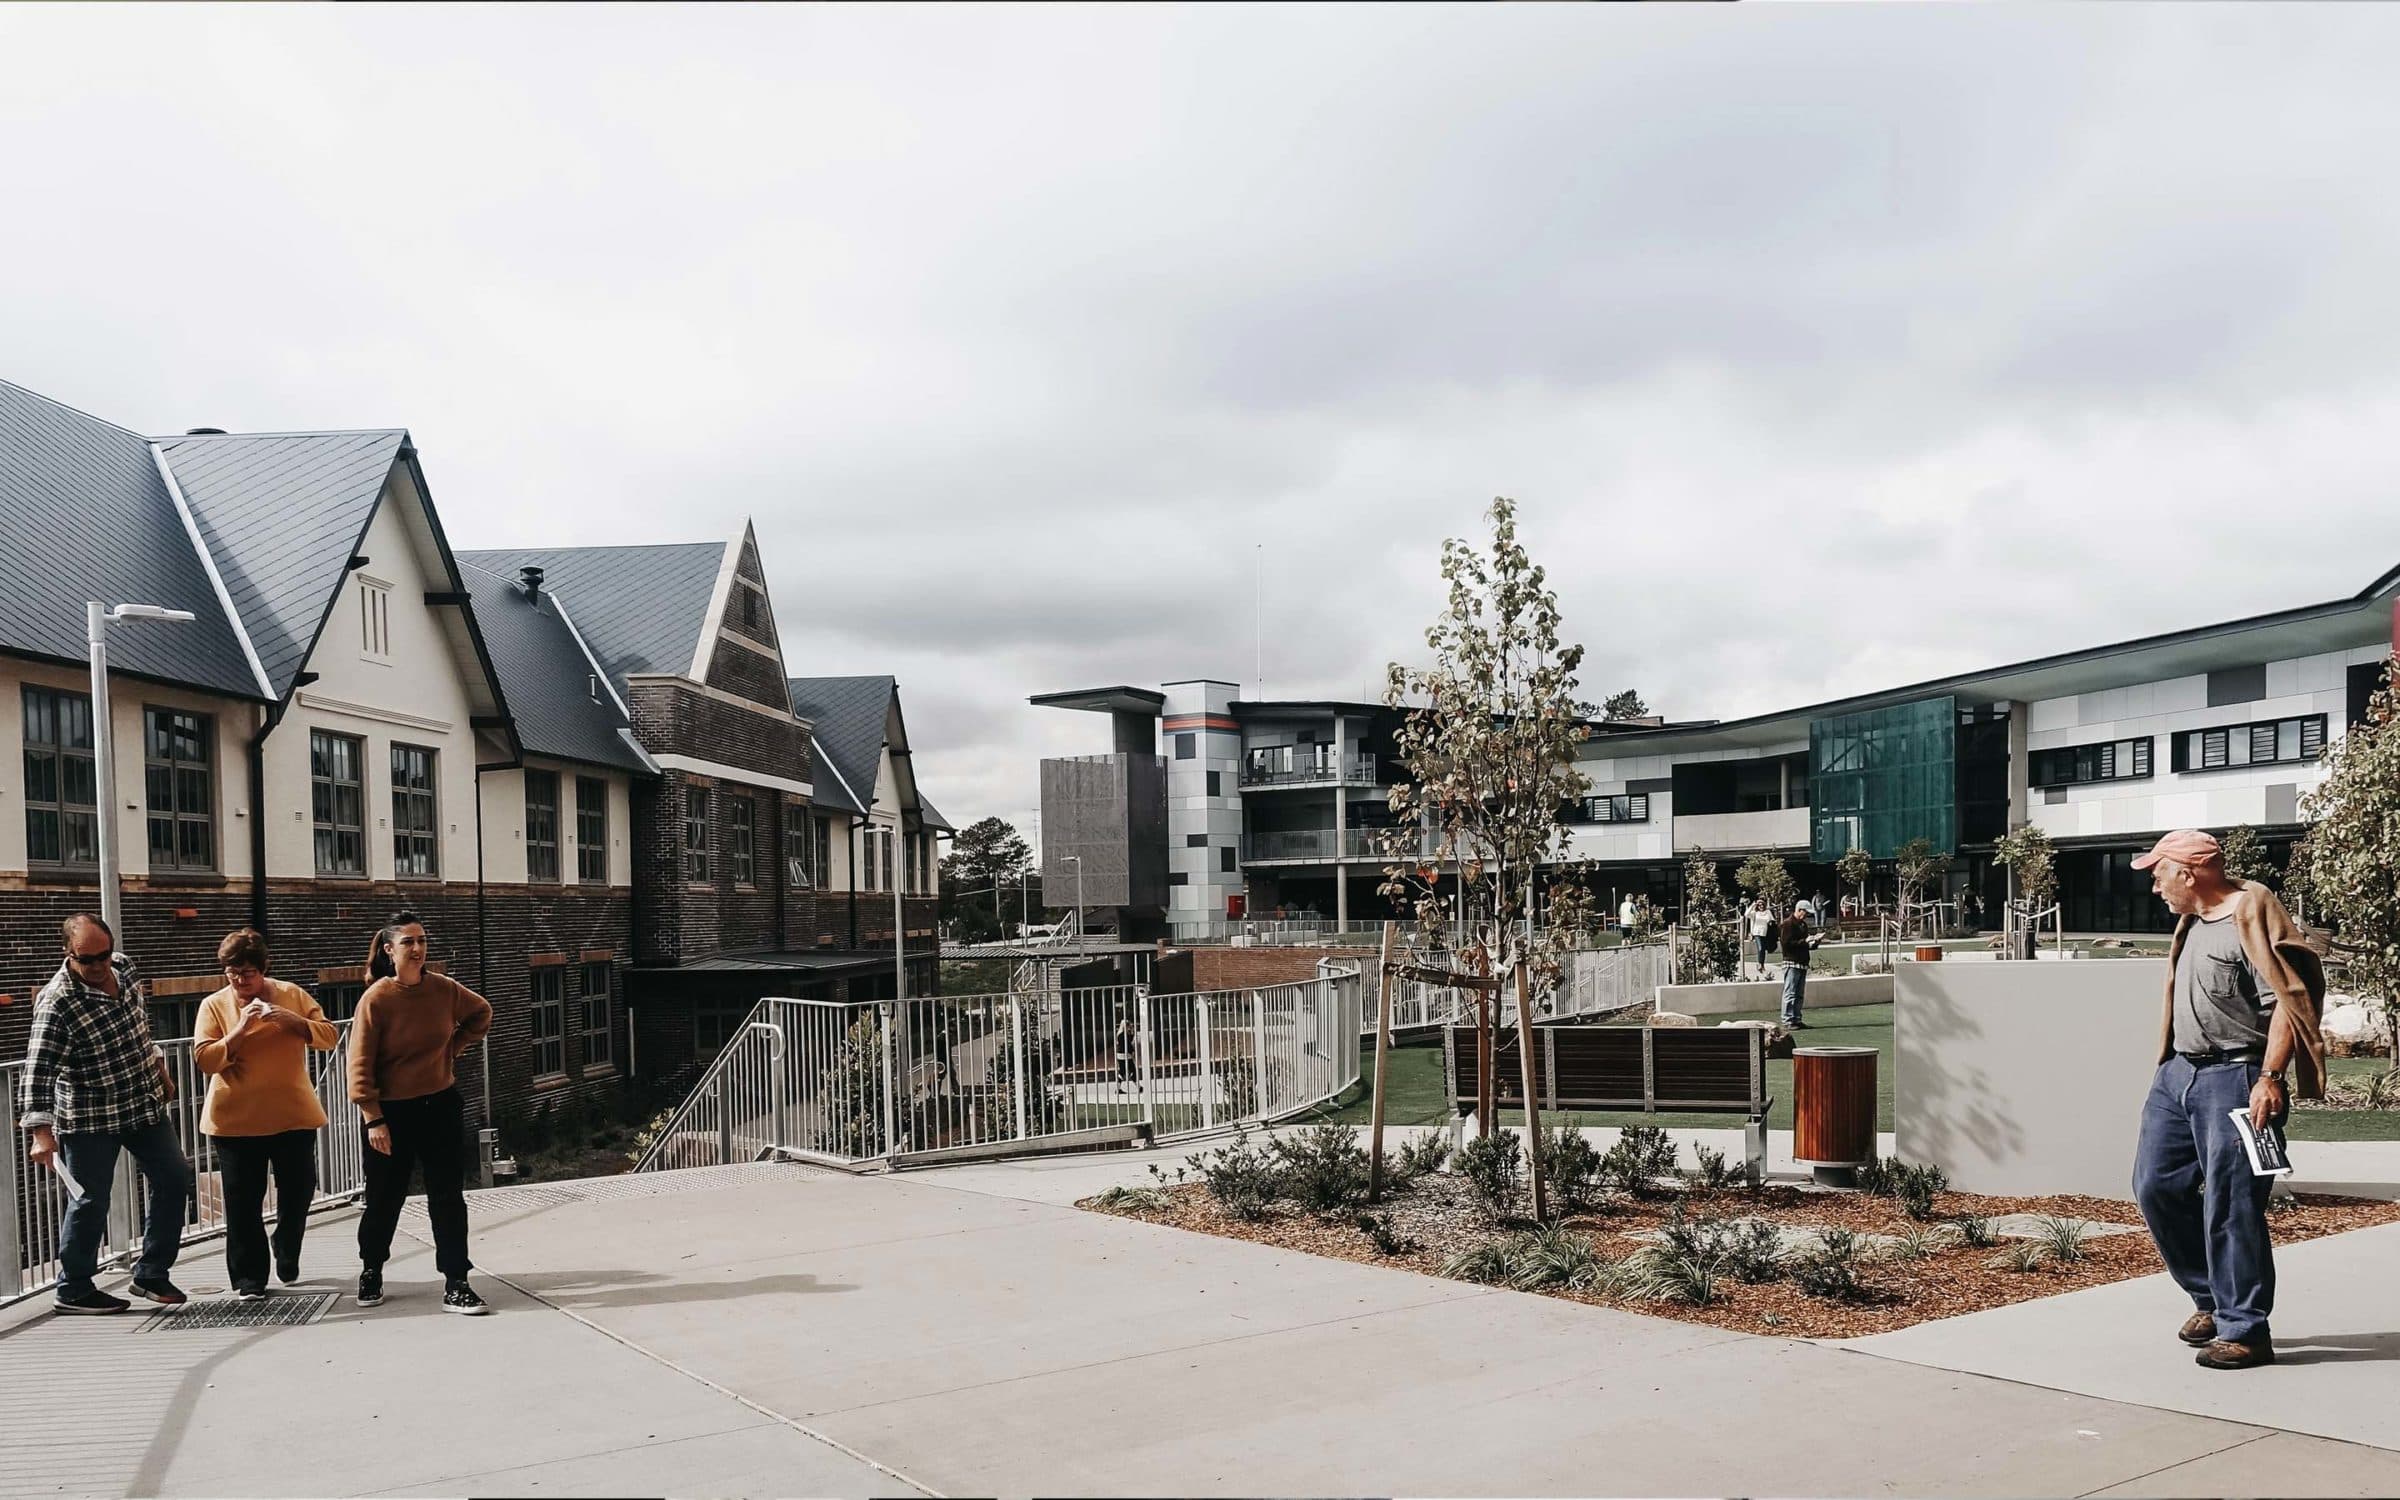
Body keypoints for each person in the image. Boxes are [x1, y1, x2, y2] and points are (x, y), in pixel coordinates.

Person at [2129, 829, 2326, 1372]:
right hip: (2177, 1074)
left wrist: (2271, 1076)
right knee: (2155, 1187)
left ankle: (2245, 1328)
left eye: (2159, 874)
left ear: (2189, 874)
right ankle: (2211, 1298)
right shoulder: (2192, 920)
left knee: (2232, 1202)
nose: (2155, 887)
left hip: (2236, 1077)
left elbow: (2287, 1001)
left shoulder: (2248, 917)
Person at [16, 913, 191, 1313]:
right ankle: (74, 1288)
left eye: (104, 956)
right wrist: (40, 1133)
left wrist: (159, 1068)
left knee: (175, 1177)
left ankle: (150, 1273)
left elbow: (138, 1027)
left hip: (141, 1102)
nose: (98, 967)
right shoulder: (58, 1001)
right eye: (87, 959)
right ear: (68, 954)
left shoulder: (125, 968)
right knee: (91, 1199)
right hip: (90, 1114)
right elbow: (37, 1069)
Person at [349, 912, 495, 1315]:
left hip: (440, 1105)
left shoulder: (444, 989)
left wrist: (452, 1049)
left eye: (422, 941)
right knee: (384, 1197)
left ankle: (456, 1281)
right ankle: (372, 1269)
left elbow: (481, 1013)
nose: (417, 949)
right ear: (389, 950)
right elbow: (359, 1064)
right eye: (408, 942)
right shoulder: (376, 999)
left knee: (447, 1197)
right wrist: (373, 1118)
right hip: (391, 1115)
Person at [192, 928, 339, 1297]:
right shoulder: (214, 1006)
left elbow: (329, 1036)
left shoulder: (292, 995)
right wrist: (239, 1029)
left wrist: (292, 1022)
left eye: (248, 973)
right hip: (235, 1120)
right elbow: (205, 1059)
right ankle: (249, 1278)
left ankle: (286, 1247)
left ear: (264, 968)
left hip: (292, 1115)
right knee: (242, 1202)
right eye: (232, 973)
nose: (241, 981)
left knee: (299, 1190)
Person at [1777, 899, 1823, 1029]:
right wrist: (1805, 941)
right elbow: (1786, 944)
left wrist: (1815, 942)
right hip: (1791, 962)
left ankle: (1796, 1018)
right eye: (1806, 912)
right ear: (1799, 910)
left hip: (1802, 962)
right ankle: (1787, 1020)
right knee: (1790, 992)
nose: (1806, 915)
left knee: (1799, 994)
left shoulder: (1803, 925)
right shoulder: (1787, 924)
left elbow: (1804, 945)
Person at [1745, 898, 1776, 980]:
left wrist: (1770, 923)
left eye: (1762, 904)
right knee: (1760, 948)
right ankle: (1760, 964)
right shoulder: (1755, 913)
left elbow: (1772, 920)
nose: (1761, 906)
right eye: (1759, 905)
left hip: (1765, 933)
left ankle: (1761, 964)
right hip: (1756, 932)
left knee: (1764, 949)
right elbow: (1746, 914)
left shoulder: (1768, 912)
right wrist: (1752, 905)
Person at [1113, 1016, 1137, 1095]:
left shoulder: (1119, 1034)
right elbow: (1129, 1043)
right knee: (1132, 1070)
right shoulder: (1124, 1035)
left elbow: (1130, 1039)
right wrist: (1132, 1052)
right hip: (1126, 1055)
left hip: (1119, 1055)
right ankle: (1139, 1087)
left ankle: (1118, 1088)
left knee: (1122, 1072)